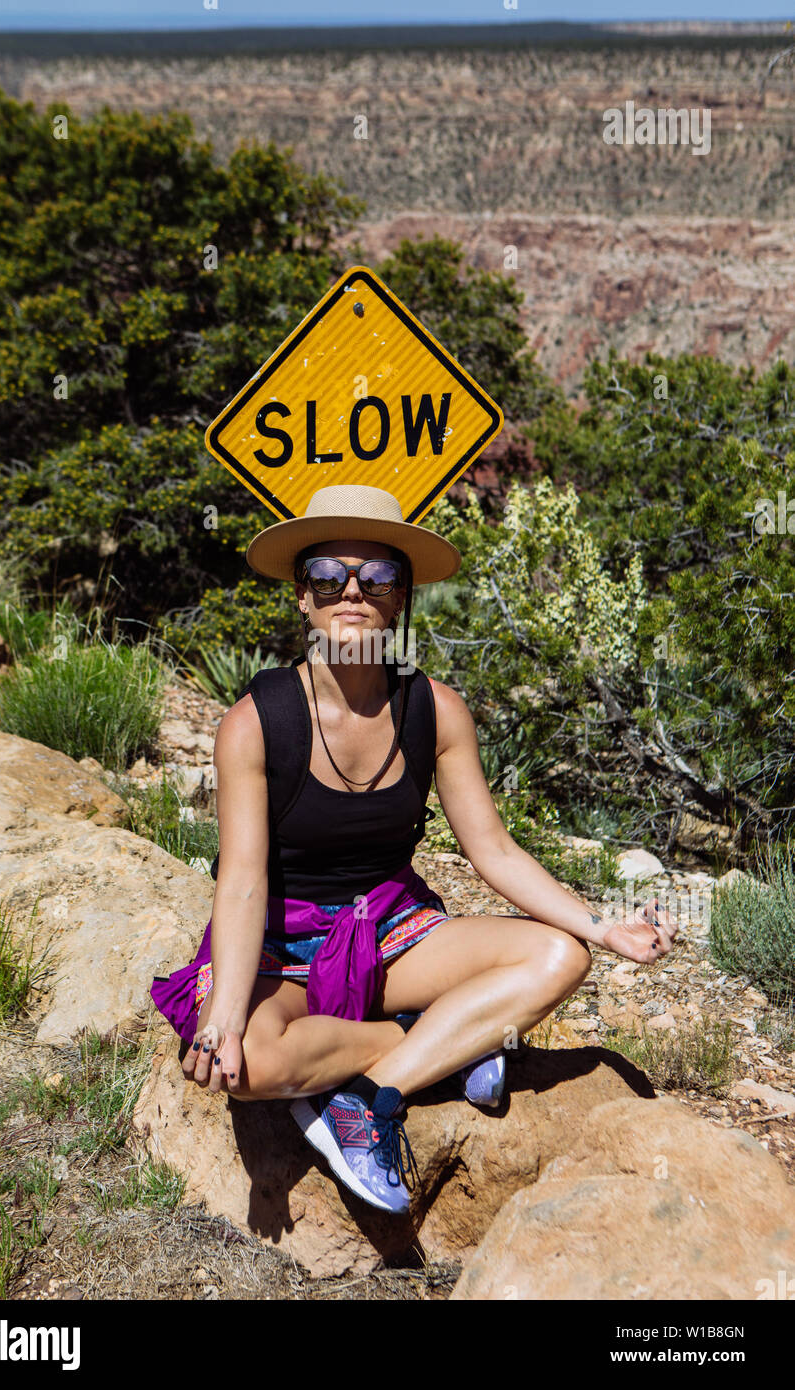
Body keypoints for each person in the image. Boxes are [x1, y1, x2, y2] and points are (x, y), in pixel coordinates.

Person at [150, 484, 677, 1217]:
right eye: (329, 577)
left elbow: (492, 849)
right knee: (249, 1066)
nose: (353, 592)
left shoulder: (435, 709)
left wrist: (599, 924)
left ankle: (372, 1095)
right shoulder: (254, 723)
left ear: (401, 599)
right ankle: (435, 1043)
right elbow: (241, 883)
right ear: (303, 597)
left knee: (562, 957)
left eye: (379, 577)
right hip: (279, 944)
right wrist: (225, 1017)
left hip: (392, 936)